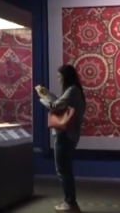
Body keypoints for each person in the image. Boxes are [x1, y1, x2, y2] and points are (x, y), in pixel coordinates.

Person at [36, 64, 86, 212]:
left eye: (60, 76)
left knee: (63, 170)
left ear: (66, 77)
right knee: (65, 168)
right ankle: (69, 201)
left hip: (65, 134)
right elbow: (60, 101)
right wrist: (46, 93)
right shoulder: (74, 90)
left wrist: (42, 97)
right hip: (68, 135)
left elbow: (55, 106)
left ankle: (70, 202)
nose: (59, 79)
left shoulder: (72, 91)